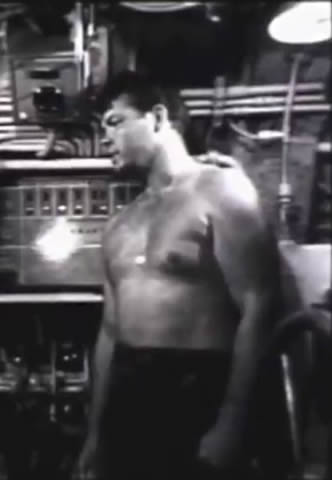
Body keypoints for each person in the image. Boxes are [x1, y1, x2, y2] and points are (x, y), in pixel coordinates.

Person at [76, 71, 284, 480]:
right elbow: (110, 333)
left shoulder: (220, 190)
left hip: (198, 391)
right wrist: (96, 434)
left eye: (115, 122)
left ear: (157, 118)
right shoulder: (120, 224)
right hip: (129, 396)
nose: (105, 139)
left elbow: (261, 306)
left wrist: (232, 421)